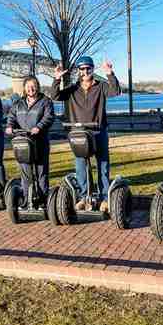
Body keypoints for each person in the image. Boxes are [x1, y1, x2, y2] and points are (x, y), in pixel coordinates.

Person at [52, 56, 121, 212]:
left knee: (103, 166)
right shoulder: (72, 89)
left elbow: (115, 91)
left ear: (92, 70)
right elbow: (55, 96)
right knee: (81, 166)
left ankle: (104, 198)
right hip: (79, 134)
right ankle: (84, 197)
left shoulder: (101, 86)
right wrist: (57, 79)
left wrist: (110, 74)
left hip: (99, 131)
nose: (85, 72)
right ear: (78, 71)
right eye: (82, 69)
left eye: (88, 68)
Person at [6, 76, 55, 203]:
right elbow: (12, 116)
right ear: (24, 88)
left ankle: (43, 200)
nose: (31, 89)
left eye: (33, 86)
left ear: (37, 86)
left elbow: (49, 117)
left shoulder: (45, 101)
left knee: (41, 172)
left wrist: (39, 127)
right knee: (26, 173)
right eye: (28, 86)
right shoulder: (18, 103)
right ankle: (27, 201)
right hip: (23, 143)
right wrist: (10, 126)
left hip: (40, 142)